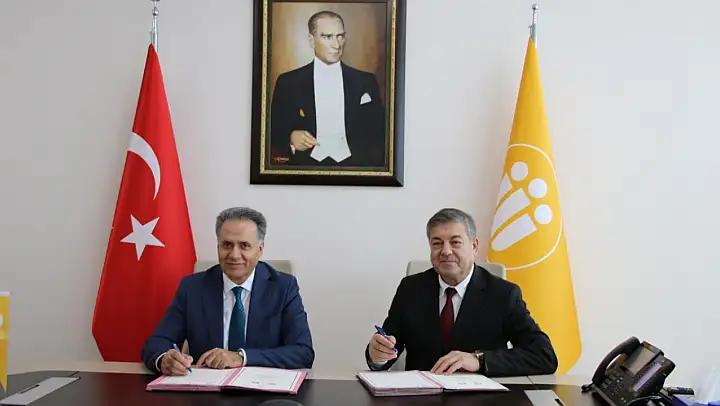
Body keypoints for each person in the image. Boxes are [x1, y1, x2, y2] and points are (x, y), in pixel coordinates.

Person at [364, 208, 558, 377]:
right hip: (421, 397)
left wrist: (479, 360)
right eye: (437, 243)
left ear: (474, 246)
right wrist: (377, 356)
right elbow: (389, 346)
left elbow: (544, 356)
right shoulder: (411, 289)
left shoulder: (503, 294)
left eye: (455, 242)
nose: (446, 251)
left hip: (481, 399)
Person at [141, 207, 315, 375]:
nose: (234, 255)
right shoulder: (192, 288)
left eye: (244, 245)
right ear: (218, 246)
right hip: (206, 388)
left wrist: (241, 357)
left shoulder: (283, 287)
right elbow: (157, 343)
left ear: (260, 249)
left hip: (262, 389)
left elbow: (303, 352)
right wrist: (165, 359)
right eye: (227, 245)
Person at [270, 10, 386, 168]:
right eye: (327, 37)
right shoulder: (288, 82)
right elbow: (272, 129)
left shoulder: (366, 81)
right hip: (305, 167)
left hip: (356, 166)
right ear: (311, 41)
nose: (337, 45)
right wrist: (290, 137)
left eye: (340, 36)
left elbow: (380, 131)